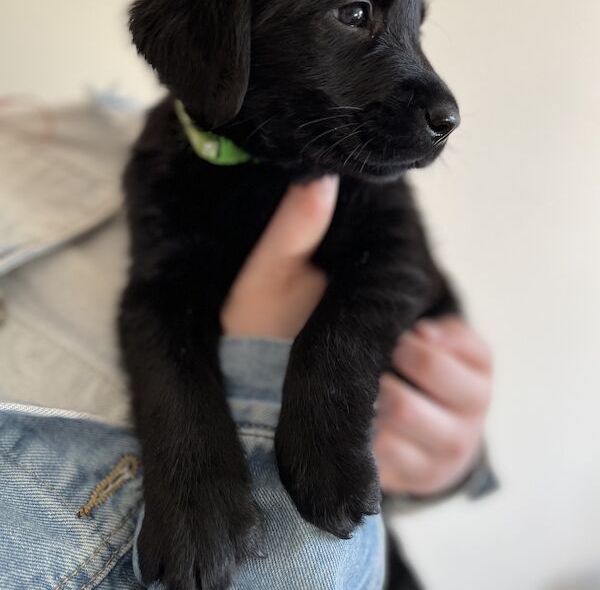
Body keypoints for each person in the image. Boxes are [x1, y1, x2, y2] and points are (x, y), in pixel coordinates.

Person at [0, 100, 495, 589]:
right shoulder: (163, 168)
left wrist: (444, 455)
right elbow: (159, 308)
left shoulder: (88, 128)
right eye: (356, 13)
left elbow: (411, 290)